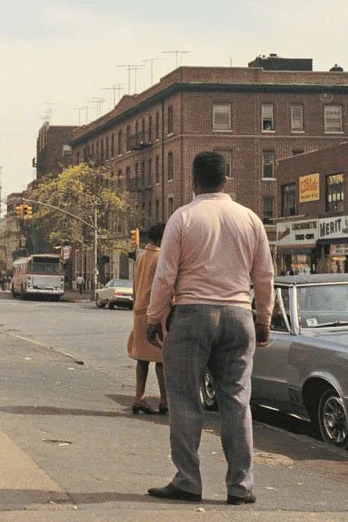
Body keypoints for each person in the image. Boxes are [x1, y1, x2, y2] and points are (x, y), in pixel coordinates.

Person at [145, 151, 274, 506]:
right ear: (226, 180)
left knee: (185, 399)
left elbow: (165, 274)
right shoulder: (249, 219)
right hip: (238, 314)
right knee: (236, 400)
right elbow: (264, 275)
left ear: (193, 180)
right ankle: (241, 486)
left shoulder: (183, 218)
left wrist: (153, 317)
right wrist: (264, 318)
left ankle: (188, 480)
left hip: (191, 314)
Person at [127, 223, 166, 415]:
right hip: (157, 313)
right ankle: (165, 400)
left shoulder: (142, 257)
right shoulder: (161, 258)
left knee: (142, 359)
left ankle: (139, 398)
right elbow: (164, 286)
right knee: (161, 359)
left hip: (140, 310)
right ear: (162, 238)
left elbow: (135, 285)